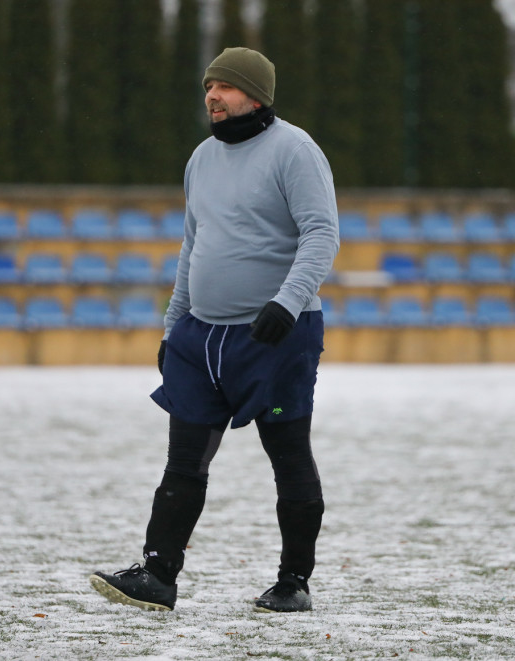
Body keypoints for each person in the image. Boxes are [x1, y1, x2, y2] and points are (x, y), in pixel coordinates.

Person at [90, 47, 339, 613]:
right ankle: (158, 575)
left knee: (288, 455)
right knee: (184, 460)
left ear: (255, 95)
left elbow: (321, 234)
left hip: (276, 336)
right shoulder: (202, 157)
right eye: (208, 86)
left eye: (224, 87)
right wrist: (173, 323)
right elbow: (192, 244)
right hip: (201, 339)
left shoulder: (295, 150)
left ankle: (293, 582)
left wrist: (286, 303)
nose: (212, 96)